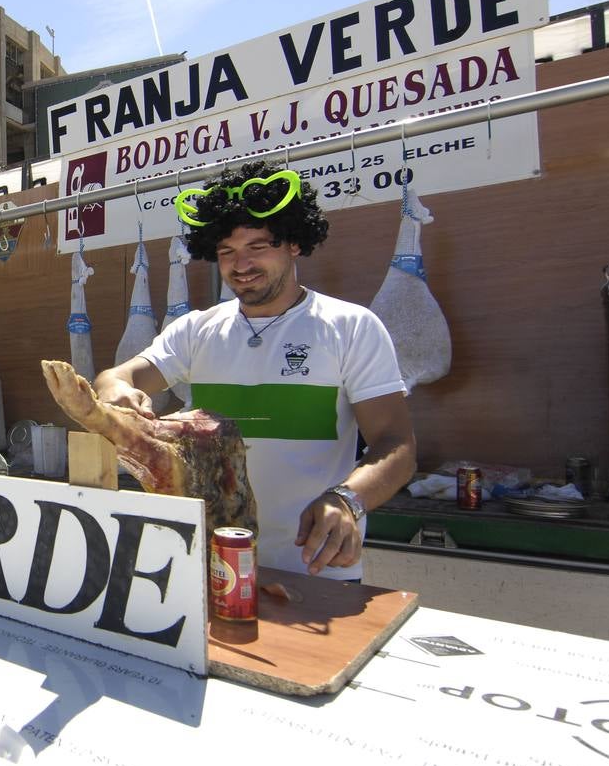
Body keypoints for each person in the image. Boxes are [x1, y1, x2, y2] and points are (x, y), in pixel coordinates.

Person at [92, 160, 416, 580]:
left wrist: (347, 500)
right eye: (227, 251)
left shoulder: (349, 327)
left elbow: (398, 445)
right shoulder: (197, 329)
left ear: (293, 244)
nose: (240, 264)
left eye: (258, 246)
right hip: (211, 564)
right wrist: (115, 388)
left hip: (313, 567)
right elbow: (119, 376)